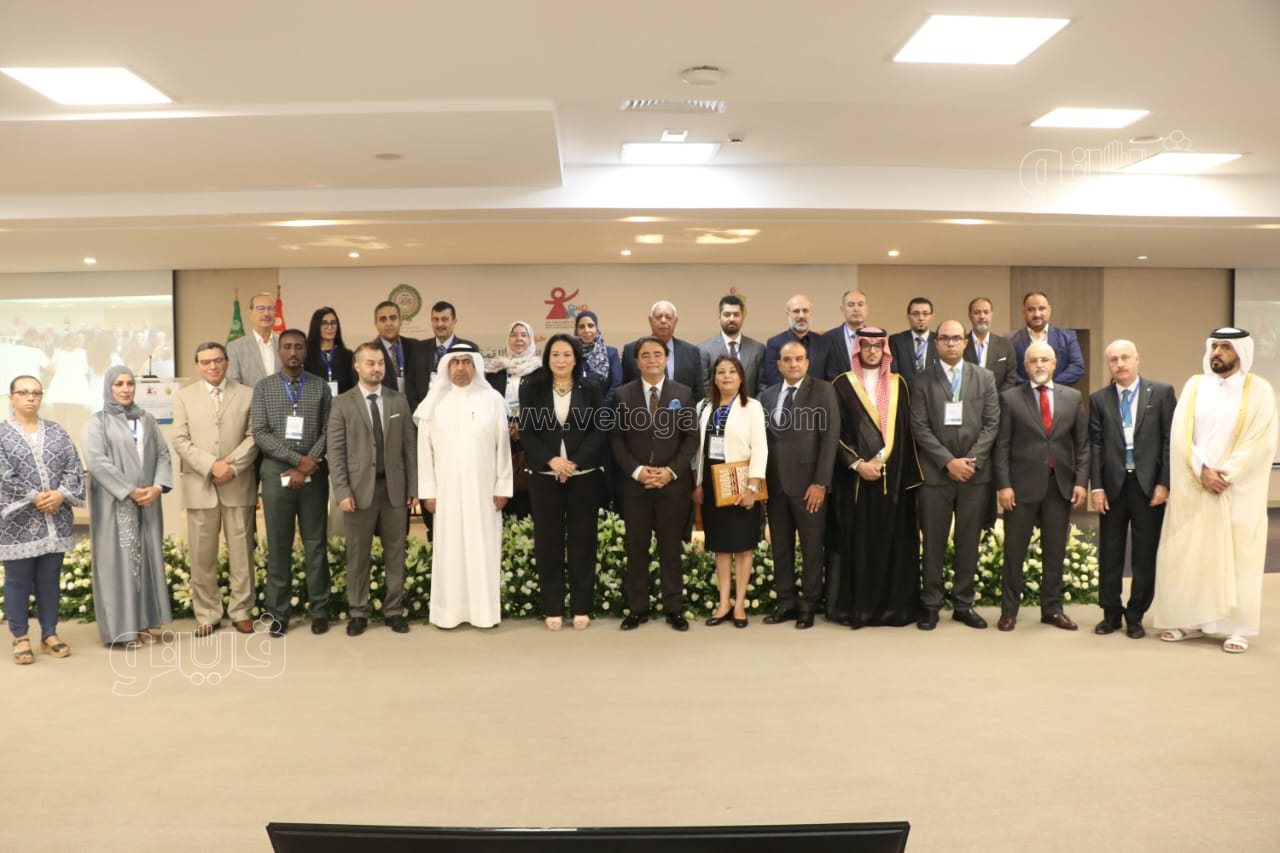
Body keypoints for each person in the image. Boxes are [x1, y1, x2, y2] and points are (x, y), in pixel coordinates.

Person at [1153, 329, 1278, 654]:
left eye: (1225, 347)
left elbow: (1260, 441)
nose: (1217, 353)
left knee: (1238, 557)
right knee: (1193, 554)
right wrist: (1203, 471)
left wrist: (1225, 475)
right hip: (1197, 487)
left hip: (1236, 491)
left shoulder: (1260, 391)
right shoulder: (1196, 386)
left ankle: (1236, 628)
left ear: (1241, 352)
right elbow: (1181, 435)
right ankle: (1192, 621)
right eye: (1215, 346)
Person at [909, 320, 1000, 630]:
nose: (950, 343)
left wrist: (970, 462)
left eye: (956, 338)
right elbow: (919, 426)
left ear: (965, 342)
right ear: (936, 343)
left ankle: (963, 604)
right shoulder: (922, 380)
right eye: (945, 338)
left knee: (968, 541)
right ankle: (931, 604)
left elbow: (992, 424)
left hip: (974, 476)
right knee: (933, 543)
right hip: (935, 476)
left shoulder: (984, 377)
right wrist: (948, 462)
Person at [415, 344, 513, 629]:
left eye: (466, 362)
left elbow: (503, 447)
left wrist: (502, 486)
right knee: (450, 551)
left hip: (484, 492)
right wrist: (428, 492)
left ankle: (484, 613)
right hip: (446, 492)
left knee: (483, 548)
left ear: (476, 366)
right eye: (455, 362)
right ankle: (448, 613)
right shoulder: (434, 401)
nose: (460, 368)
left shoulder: (491, 399)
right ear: (446, 366)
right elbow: (425, 451)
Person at [994, 341, 1090, 631]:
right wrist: (1004, 485)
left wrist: (1081, 482)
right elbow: (1002, 446)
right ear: (1025, 366)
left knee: (1055, 552)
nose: (1039, 365)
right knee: (1014, 552)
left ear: (1054, 364)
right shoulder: (1010, 398)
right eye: (1033, 360)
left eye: (1044, 360)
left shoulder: (1072, 397)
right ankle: (1009, 611)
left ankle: (1052, 609)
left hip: (1059, 487)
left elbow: (1082, 445)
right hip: (1020, 489)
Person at [831, 327, 922, 628]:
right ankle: (860, 609)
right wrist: (858, 464)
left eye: (877, 346)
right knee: (860, 544)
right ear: (858, 349)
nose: (872, 351)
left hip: (892, 480)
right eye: (866, 345)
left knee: (894, 543)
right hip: (856, 483)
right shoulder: (842, 384)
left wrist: (886, 462)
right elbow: (834, 433)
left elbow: (907, 433)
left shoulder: (899, 384)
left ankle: (894, 609)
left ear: (885, 350)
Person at [1088, 340, 1175, 639]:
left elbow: (1170, 441)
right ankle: (1111, 614)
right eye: (1113, 359)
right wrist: (1097, 487)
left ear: (1138, 359)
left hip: (1148, 486)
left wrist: (1164, 482)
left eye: (1125, 357)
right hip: (1112, 486)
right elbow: (1095, 445)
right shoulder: (1099, 399)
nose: (1120, 364)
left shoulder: (1161, 393)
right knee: (1109, 552)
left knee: (1144, 553)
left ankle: (1136, 614)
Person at [519, 334, 607, 630]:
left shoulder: (591, 386)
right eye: (555, 354)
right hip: (545, 477)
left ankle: (582, 607)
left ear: (576, 358)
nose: (561, 360)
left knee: (583, 541)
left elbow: (599, 430)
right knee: (549, 542)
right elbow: (527, 433)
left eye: (567, 354)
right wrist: (551, 461)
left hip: (583, 476)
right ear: (547, 358)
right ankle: (552, 607)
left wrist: (574, 462)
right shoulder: (532, 386)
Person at [328, 342, 417, 636]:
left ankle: (394, 610)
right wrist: (342, 492)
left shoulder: (398, 401)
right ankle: (358, 612)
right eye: (370, 363)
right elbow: (336, 452)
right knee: (358, 555)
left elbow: (409, 447)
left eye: (380, 363)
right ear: (357, 366)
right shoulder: (342, 403)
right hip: (357, 491)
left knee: (396, 553)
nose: (377, 368)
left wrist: (413, 487)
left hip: (394, 490)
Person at [171, 342, 259, 637]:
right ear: (197, 366)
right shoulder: (184, 397)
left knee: (242, 553)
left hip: (238, 483)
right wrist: (211, 466)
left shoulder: (246, 394)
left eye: (218, 360)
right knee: (202, 556)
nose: (212, 366)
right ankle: (207, 613)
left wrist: (231, 467)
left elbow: (254, 436)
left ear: (227, 362)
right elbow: (180, 439)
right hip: (201, 485)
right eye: (206, 362)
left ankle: (241, 611)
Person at [612, 336, 699, 631]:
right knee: (636, 548)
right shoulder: (622, 395)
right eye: (646, 355)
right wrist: (637, 471)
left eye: (657, 354)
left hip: (672, 487)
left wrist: (670, 472)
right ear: (637, 361)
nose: (652, 359)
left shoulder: (682, 393)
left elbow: (691, 439)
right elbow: (616, 440)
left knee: (670, 549)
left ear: (666, 359)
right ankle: (638, 608)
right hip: (634, 487)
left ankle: (673, 608)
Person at [82, 366, 173, 647]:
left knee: (145, 561)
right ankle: (122, 629)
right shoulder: (98, 422)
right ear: (109, 387)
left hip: (147, 502)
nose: (125, 389)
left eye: (129, 383)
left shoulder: (147, 419)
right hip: (115, 503)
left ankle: (143, 623)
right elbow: (96, 461)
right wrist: (129, 490)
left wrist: (157, 487)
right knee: (117, 564)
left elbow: (162, 454)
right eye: (118, 384)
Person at [250, 329, 332, 636]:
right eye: (287, 347)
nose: (293, 352)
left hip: (314, 471)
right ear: (279, 351)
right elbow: (260, 432)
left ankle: (320, 610)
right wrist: (296, 461)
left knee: (315, 544)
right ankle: (278, 613)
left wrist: (308, 462)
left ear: (306, 351)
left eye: (299, 347)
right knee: (279, 545)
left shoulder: (320, 386)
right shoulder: (264, 387)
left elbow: (328, 429)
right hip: (276, 473)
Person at [1, 376, 84, 664]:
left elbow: (74, 467)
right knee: (18, 581)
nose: (30, 397)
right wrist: (34, 496)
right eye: (23, 392)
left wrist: (60, 495)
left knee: (50, 580)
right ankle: (20, 637)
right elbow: (3, 475)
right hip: (17, 522)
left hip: (55, 519)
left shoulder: (57, 432)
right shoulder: (1, 434)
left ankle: (49, 634)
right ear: (11, 397)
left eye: (36, 392)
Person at [759, 341, 839, 630]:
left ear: (807, 363)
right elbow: (761, 441)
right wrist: (759, 484)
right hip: (775, 485)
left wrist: (821, 482)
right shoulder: (766, 396)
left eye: (799, 359)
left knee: (811, 548)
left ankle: (808, 605)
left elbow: (830, 438)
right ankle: (785, 603)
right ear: (778, 365)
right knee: (780, 547)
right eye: (787, 360)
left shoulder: (823, 390)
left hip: (809, 486)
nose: (793, 364)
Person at [695, 356, 768, 628]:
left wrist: (752, 487)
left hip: (741, 482)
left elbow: (760, 448)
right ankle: (723, 602)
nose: (726, 376)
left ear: (741, 378)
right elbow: (699, 449)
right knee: (721, 546)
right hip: (712, 481)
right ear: (714, 378)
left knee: (743, 546)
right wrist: (698, 483)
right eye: (721, 372)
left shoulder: (752, 407)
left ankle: (739, 605)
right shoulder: (704, 406)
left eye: (732, 372)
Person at [486, 321, 540, 518]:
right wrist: (503, 425)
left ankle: (526, 529)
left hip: (531, 436)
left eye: (524, 335)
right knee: (502, 484)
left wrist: (522, 427)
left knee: (526, 487)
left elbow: (543, 404)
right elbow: (488, 404)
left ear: (531, 340)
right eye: (514, 335)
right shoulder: (496, 371)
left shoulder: (540, 371)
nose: (519, 339)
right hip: (500, 435)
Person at [620, 301, 706, 404]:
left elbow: (699, 393)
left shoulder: (691, 352)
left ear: (675, 321)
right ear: (650, 320)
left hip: (681, 412)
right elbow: (624, 389)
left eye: (668, 317)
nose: (663, 321)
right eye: (658, 317)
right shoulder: (631, 350)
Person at [762, 293, 844, 387]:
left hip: (819, 396)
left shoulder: (825, 343)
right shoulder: (774, 344)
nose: (801, 316)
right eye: (796, 311)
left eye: (805, 311)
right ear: (788, 314)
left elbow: (831, 379)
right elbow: (773, 381)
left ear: (811, 314)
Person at [1008, 292, 1085, 386]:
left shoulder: (1068, 337)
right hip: (1023, 393)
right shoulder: (1010, 340)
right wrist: (1031, 388)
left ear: (1049, 310)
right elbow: (1009, 371)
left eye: (1041, 308)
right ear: (1024, 312)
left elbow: (1077, 367)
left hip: (1058, 393)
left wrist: (1050, 386)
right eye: (1031, 309)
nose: (1037, 314)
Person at [697, 294, 766, 398]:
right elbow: (704, 388)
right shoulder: (704, 350)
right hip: (717, 407)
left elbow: (762, 387)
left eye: (736, 314)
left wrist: (752, 406)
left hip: (749, 406)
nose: (731, 319)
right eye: (727, 314)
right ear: (719, 317)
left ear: (743, 317)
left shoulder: (757, 349)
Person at [373, 300, 430, 412]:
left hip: (415, 413)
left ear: (401, 321)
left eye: (393, 318)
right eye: (383, 319)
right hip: (384, 414)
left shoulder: (415, 346)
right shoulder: (369, 352)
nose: (388, 323)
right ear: (376, 324)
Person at [226, 291, 280, 389]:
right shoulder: (235, 347)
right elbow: (234, 385)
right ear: (250, 313)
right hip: (250, 399)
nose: (266, 313)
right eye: (260, 308)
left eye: (270, 308)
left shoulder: (285, 344)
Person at [963, 297, 1017, 392]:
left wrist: (995, 398)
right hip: (967, 399)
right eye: (977, 312)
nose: (982, 316)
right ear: (970, 316)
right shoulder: (961, 344)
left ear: (991, 315)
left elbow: (1011, 377)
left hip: (998, 399)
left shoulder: (1005, 345)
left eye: (986, 312)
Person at [304, 306, 355, 396]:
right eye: (324, 323)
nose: (330, 327)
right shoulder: (307, 356)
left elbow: (353, 387)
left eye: (333, 323)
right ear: (316, 326)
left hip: (343, 403)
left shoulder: (348, 355)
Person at [421, 301, 479, 379]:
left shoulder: (469, 349)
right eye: (436, 319)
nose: (439, 324)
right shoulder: (419, 349)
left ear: (454, 322)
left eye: (444, 319)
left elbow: (475, 380)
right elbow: (411, 381)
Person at [575, 310, 623, 405]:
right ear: (576, 331)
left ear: (597, 328)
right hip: (577, 410)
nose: (586, 330)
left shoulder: (611, 353)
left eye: (591, 326)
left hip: (605, 409)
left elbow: (616, 384)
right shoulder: (571, 355)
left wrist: (602, 408)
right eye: (582, 327)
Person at [888, 297, 939, 382]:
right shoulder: (896, 341)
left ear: (932, 317)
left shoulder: (939, 340)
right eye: (916, 314)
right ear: (908, 317)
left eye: (925, 314)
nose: (921, 318)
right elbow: (893, 374)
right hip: (906, 389)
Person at [823, 288, 870, 372]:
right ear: (843, 309)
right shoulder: (828, 338)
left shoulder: (877, 337)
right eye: (851, 305)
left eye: (860, 304)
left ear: (866, 308)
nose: (856, 309)